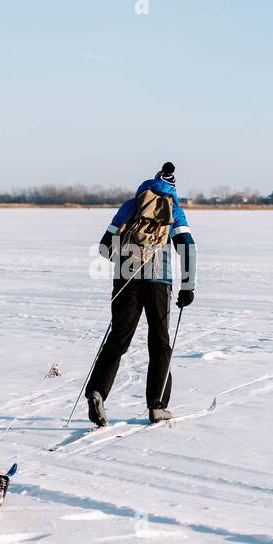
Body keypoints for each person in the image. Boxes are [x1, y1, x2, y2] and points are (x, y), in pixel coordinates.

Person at [86, 161, 197, 425]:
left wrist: (127, 261)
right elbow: (187, 247)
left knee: (117, 340)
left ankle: (97, 391)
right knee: (159, 343)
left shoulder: (130, 206)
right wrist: (187, 286)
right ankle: (157, 405)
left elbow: (104, 247)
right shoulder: (174, 210)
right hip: (160, 282)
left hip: (126, 281)